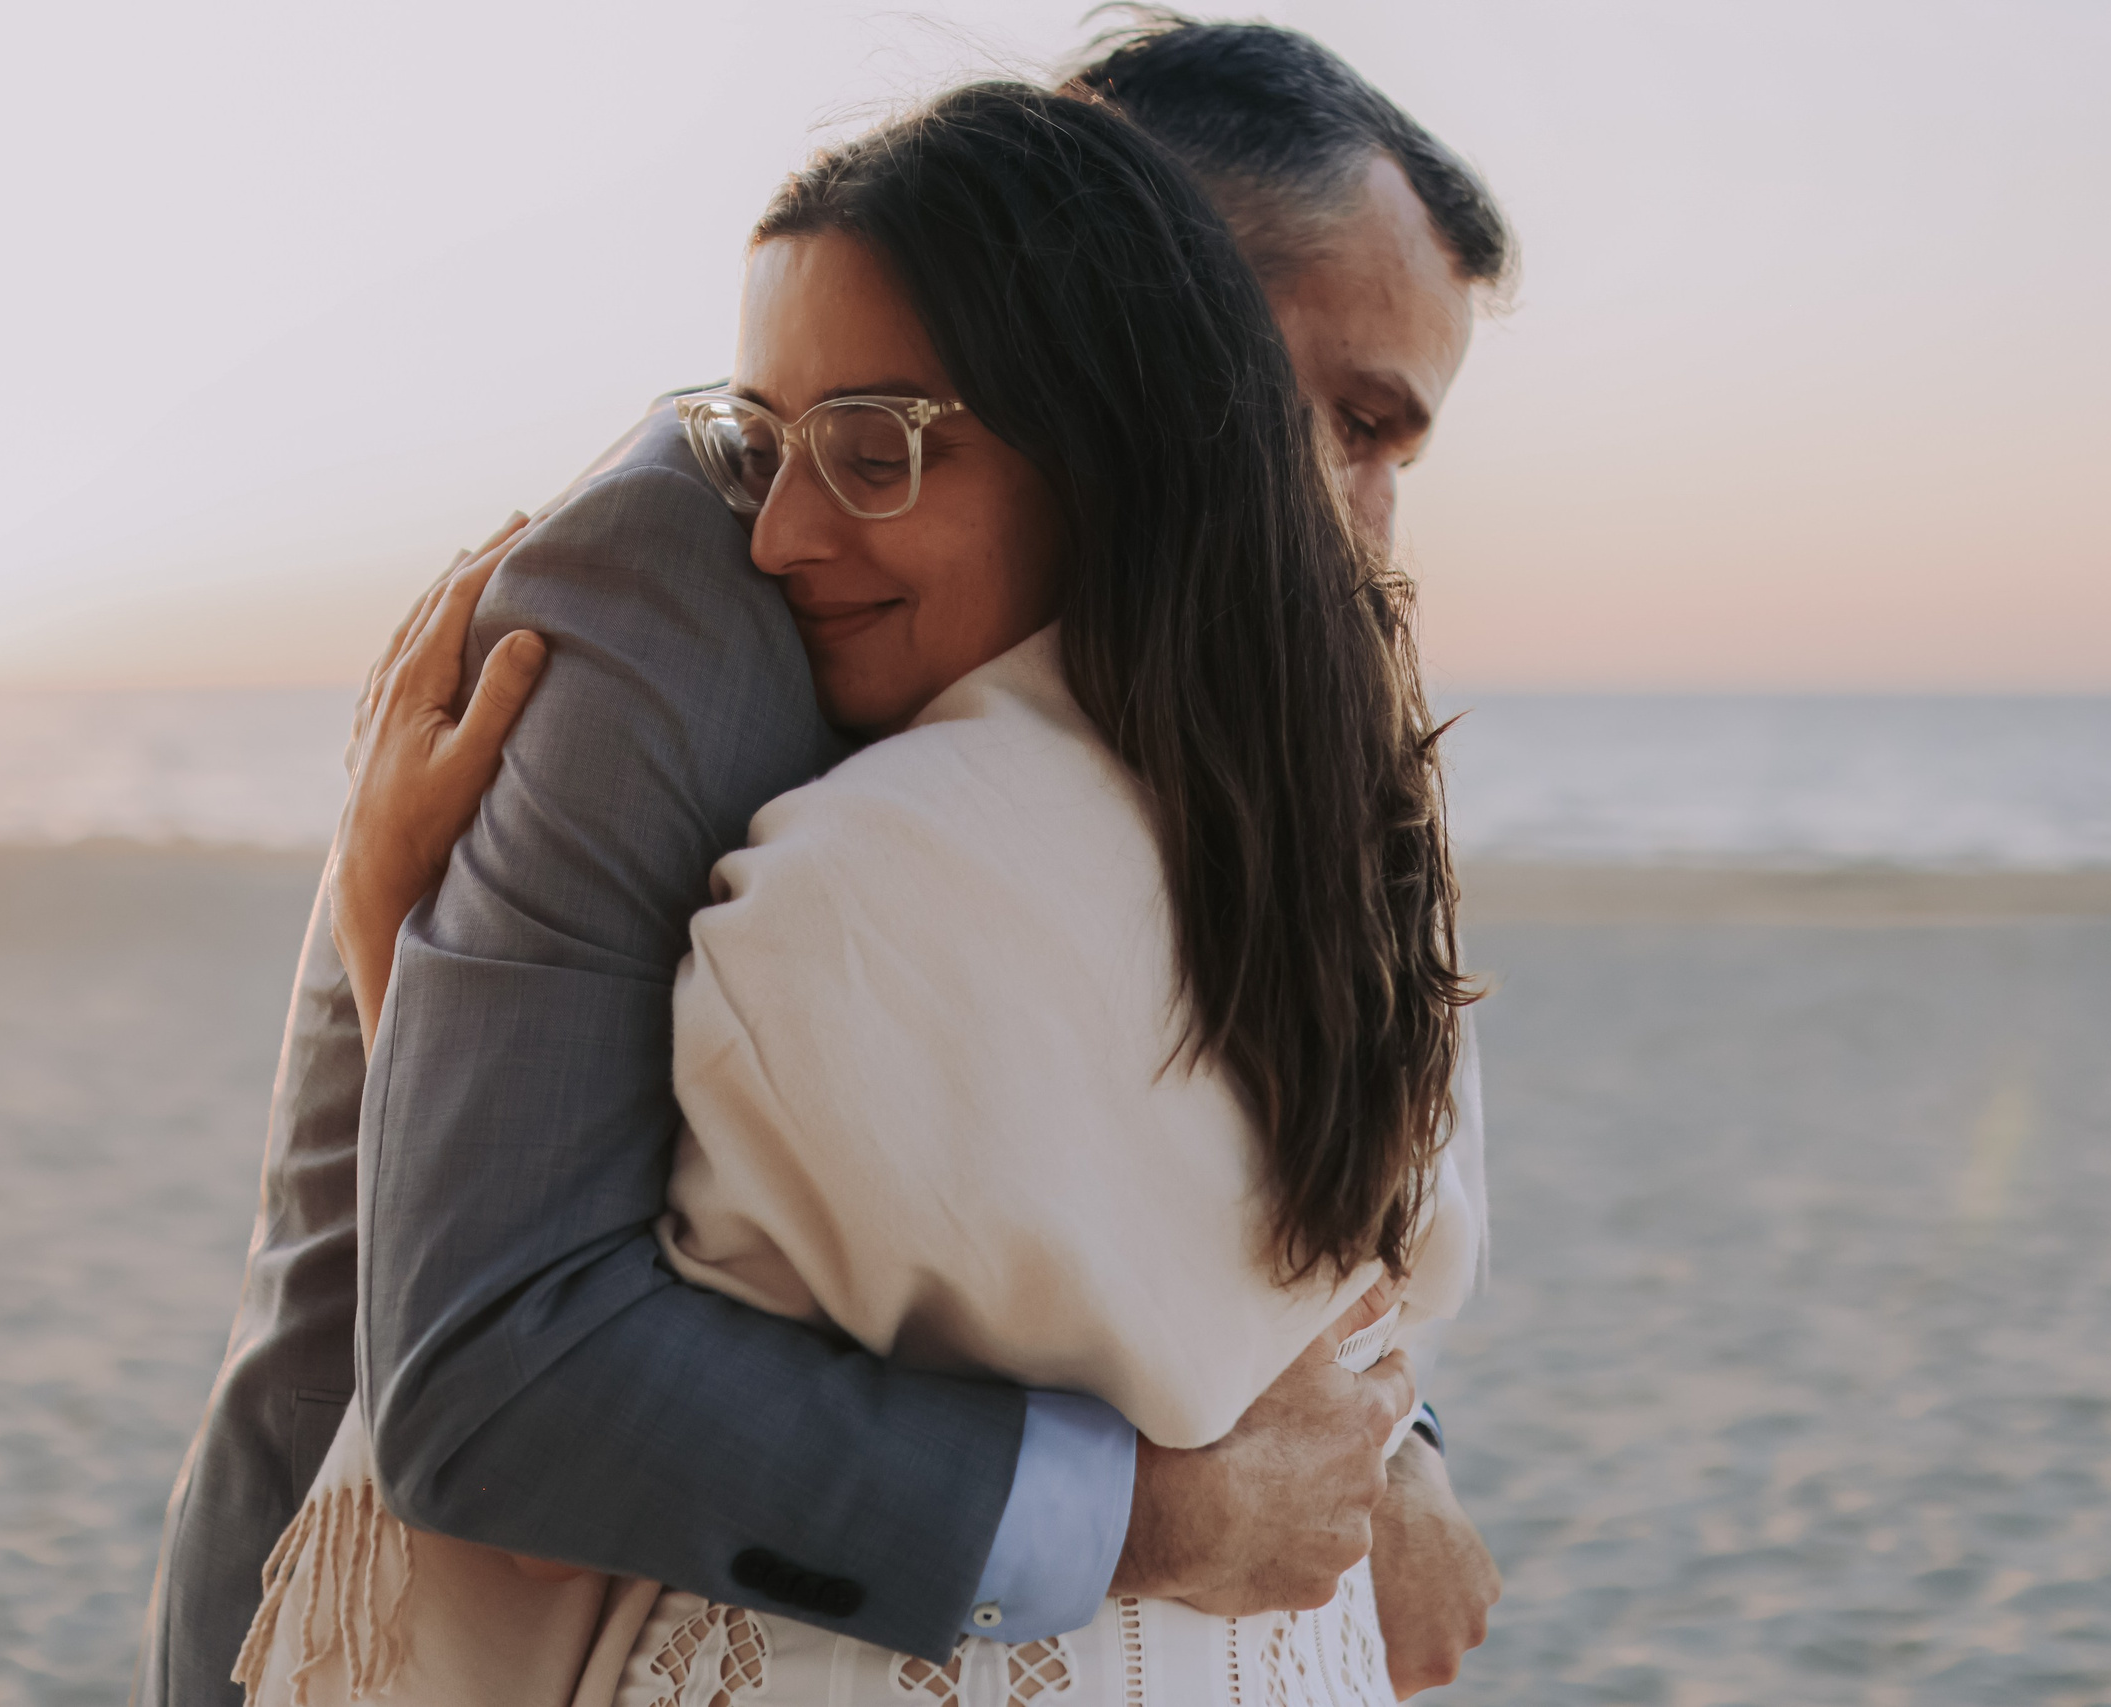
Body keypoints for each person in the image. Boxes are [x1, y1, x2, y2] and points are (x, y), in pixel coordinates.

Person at [134, 17, 1512, 1706]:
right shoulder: (685, 590)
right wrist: (1155, 1518)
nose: (1371, 514)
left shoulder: (1229, 705)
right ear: (1133, 306)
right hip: (374, 1608)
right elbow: (517, 1341)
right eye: (1355, 418)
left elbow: (1244, 1151)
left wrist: (1398, 1459)